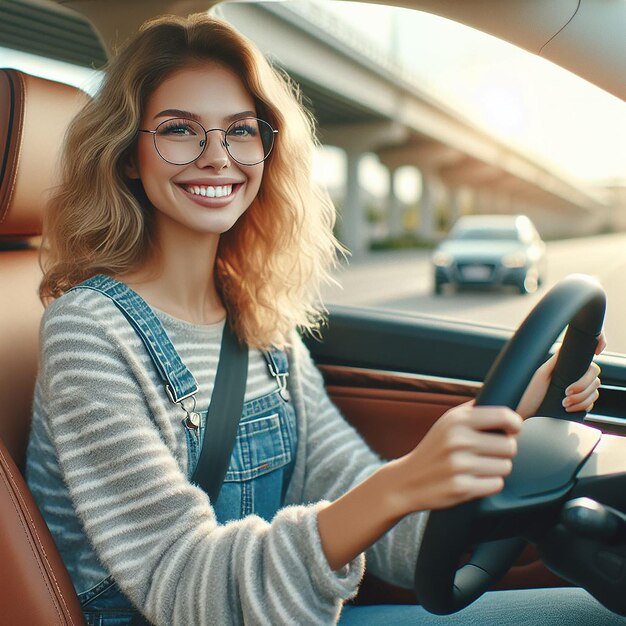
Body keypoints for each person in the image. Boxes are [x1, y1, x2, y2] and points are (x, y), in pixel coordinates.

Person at [25, 12, 615, 626]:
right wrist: (402, 483)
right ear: (126, 156)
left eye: (241, 132)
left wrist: (509, 418)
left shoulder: (262, 325)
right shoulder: (87, 333)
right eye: (179, 131)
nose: (217, 158)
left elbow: (374, 518)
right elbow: (185, 583)